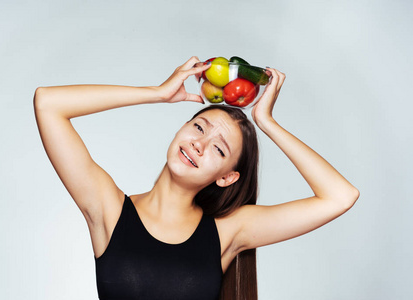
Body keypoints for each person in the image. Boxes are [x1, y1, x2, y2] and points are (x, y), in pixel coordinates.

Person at [34, 57, 359, 300]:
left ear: (227, 177)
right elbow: (48, 103)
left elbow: (340, 196)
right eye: (198, 128)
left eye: (218, 149)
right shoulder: (108, 210)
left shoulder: (229, 231)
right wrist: (157, 93)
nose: (198, 145)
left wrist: (266, 121)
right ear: (181, 129)